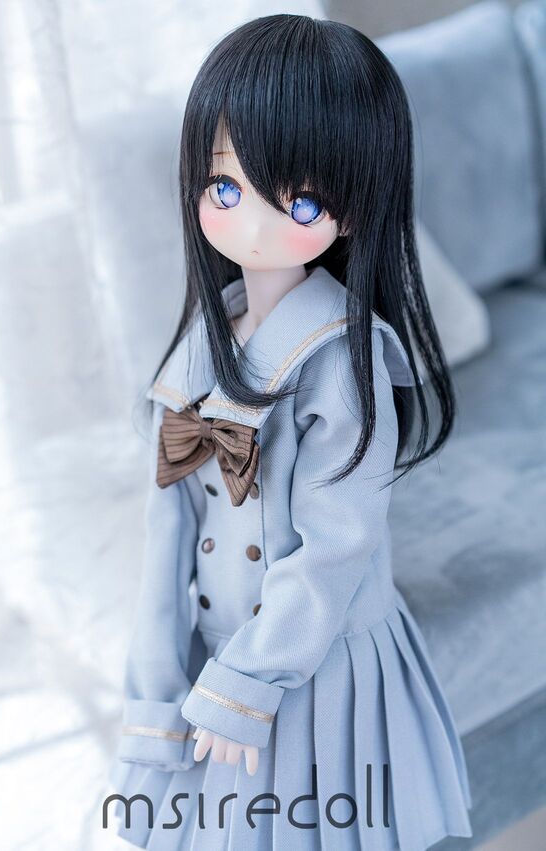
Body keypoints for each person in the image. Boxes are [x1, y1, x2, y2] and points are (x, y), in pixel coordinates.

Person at [106, 13, 473, 849]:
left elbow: (336, 545)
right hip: (213, 654)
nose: (253, 226)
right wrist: (153, 689)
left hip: (310, 656)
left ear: (356, 208)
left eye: (299, 202)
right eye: (225, 188)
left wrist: (251, 676)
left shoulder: (344, 360)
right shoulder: (200, 346)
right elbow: (166, 536)